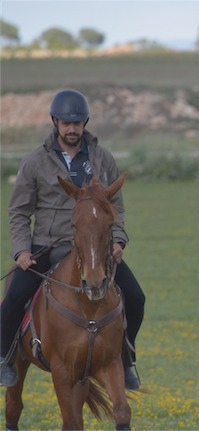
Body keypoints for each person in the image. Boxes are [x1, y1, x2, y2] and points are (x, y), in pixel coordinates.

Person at [0, 89, 145, 390]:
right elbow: (18, 211)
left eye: (77, 122)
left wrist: (118, 241)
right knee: (13, 298)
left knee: (135, 297)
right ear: (55, 122)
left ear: (85, 123)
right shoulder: (35, 162)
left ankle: (125, 357)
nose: (71, 128)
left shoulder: (102, 159)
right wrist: (21, 251)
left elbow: (114, 207)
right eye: (66, 122)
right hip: (47, 246)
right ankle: (3, 358)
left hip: (96, 248)